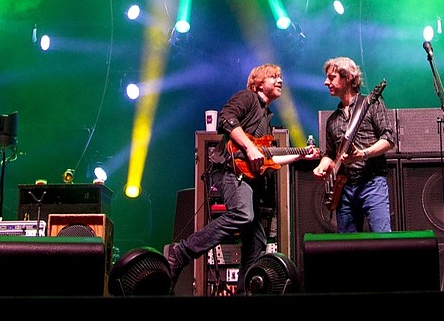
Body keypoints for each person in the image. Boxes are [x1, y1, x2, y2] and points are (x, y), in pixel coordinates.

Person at [166, 63, 319, 294]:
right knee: (242, 213)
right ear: (258, 82)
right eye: (273, 77)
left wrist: (301, 155)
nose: (280, 81)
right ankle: (182, 252)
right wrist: (249, 148)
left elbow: (270, 160)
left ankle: (243, 292)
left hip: (249, 179)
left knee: (257, 241)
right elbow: (226, 119)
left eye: (281, 77)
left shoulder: (266, 117)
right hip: (228, 169)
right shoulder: (247, 98)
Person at [312, 56, 396, 233]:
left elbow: (388, 139)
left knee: (383, 241)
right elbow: (330, 154)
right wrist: (322, 164)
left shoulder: (371, 104)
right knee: (348, 248)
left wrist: (363, 154)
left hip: (372, 182)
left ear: (348, 77)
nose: (326, 82)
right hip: (344, 189)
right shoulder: (332, 120)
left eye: (331, 77)